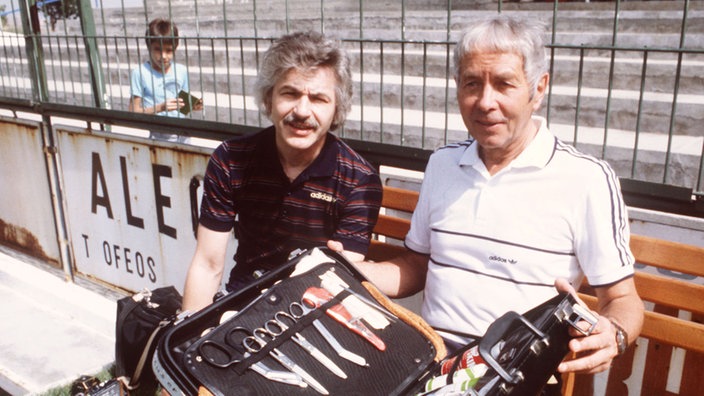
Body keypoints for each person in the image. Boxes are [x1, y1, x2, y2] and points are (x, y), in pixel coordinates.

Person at [330, 14, 643, 381]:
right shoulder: (444, 164)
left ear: (538, 89)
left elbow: (622, 299)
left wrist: (615, 335)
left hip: (514, 375)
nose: (484, 102)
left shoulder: (584, 179)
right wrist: (351, 271)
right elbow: (416, 266)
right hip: (428, 364)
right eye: (472, 84)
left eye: (504, 84)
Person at [182, 31, 383, 312]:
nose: (302, 110)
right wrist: (185, 339)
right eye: (290, 93)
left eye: (318, 99)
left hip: (316, 308)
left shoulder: (359, 180)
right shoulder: (230, 160)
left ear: (337, 109)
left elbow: (340, 282)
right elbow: (207, 264)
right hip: (243, 299)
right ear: (269, 99)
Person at [128, 18, 202, 143]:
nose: (163, 56)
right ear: (149, 47)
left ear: (175, 48)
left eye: (169, 50)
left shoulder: (182, 71)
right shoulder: (139, 73)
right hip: (158, 135)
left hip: (183, 134)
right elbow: (133, 112)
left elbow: (182, 105)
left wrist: (193, 105)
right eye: (158, 49)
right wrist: (160, 108)